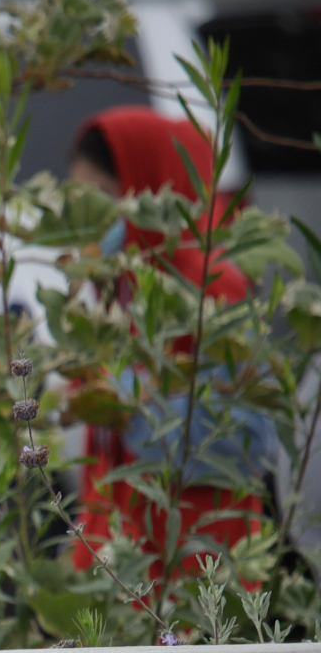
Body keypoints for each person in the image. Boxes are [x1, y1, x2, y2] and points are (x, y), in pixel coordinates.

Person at [64, 106, 268, 585]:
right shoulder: (116, 290)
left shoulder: (211, 292)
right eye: (80, 201)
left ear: (145, 187)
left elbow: (246, 440)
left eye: (102, 198)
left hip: (197, 567)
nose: (90, 220)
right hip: (123, 563)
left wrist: (130, 400)